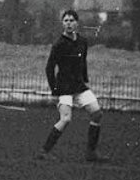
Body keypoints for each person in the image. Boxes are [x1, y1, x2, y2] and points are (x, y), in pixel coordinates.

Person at [37, 9, 104, 162]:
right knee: (66, 119)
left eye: (71, 20)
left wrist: (85, 79)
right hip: (64, 88)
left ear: (76, 23)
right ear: (62, 23)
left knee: (97, 113)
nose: (69, 23)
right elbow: (49, 68)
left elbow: (83, 62)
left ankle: (91, 152)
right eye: (66, 20)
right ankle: (44, 151)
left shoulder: (82, 42)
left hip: (79, 86)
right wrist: (54, 90)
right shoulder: (59, 44)